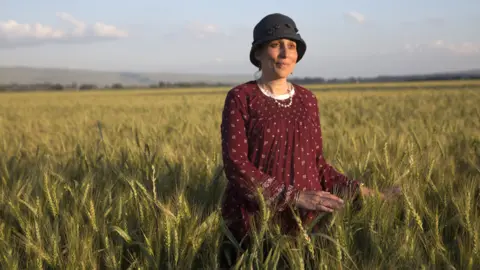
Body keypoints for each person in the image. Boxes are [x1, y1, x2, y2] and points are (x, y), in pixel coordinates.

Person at [219, 13, 399, 264]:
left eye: (291, 46)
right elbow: (235, 164)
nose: (285, 53)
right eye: (275, 45)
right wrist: (293, 196)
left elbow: (318, 165)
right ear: (258, 53)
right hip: (255, 225)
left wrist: (367, 193)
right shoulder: (241, 97)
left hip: (306, 227)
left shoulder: (307, 100)